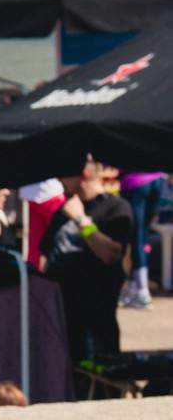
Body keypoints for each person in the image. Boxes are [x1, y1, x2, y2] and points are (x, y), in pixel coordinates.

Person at [39, 158, 132, 369]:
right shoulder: (64, 210)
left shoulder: (115, 208)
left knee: (99, 385)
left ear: (83, 176)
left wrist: (82, 221)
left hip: (97, 317)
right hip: (62, 317)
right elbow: (45, 255)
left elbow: (111, 253)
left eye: (64, 175)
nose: (59, 180)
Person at [118, 169, 166, 309]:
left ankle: (142, 291)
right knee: (143, 237)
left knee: (137, 237)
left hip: (135, 182)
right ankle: (135, 287)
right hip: (157, 180)